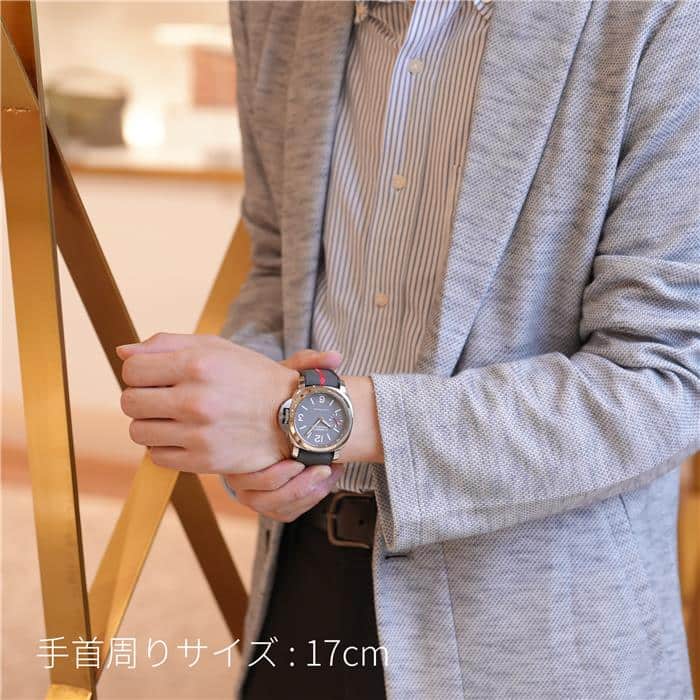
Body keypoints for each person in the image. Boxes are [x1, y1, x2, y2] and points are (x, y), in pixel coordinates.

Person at [116, 1, 700, 698]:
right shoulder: (276, 11)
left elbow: (663, 383)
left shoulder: (662, 18)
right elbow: (278, 263)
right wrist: (254, 438)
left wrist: (310, 417)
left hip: (540, 621)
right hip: (301, 571)